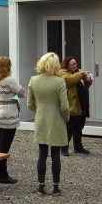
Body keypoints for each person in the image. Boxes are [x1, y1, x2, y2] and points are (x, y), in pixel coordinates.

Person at [28, 52, 70, 194]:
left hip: (41, 119)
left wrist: (39, 111)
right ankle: (55, 185)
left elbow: (30, 103)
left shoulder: (34, 80)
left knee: (42, 153)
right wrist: (66, 117)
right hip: (57, 119)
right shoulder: (59, 81)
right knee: (56, 154)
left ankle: (41, 185)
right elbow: (64, 105)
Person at [0, 56, 25, 184]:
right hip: (8, 115)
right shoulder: (9, 80)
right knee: (4, 147)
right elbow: (22, 92)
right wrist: (14, 95)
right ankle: (2, 175)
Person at [58, 57, 92, 155]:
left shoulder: (78, 73)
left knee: (79, 128)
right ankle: (64, 148)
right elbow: (69, 81)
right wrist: (81, 74)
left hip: (82, 105)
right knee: (69, 128)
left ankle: (78, 147)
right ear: (66, 65)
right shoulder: (62, 73)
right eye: (72, 64)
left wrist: (88, 79)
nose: (75, 66)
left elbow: (87, 84)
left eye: (75, 64)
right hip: (71, 105)